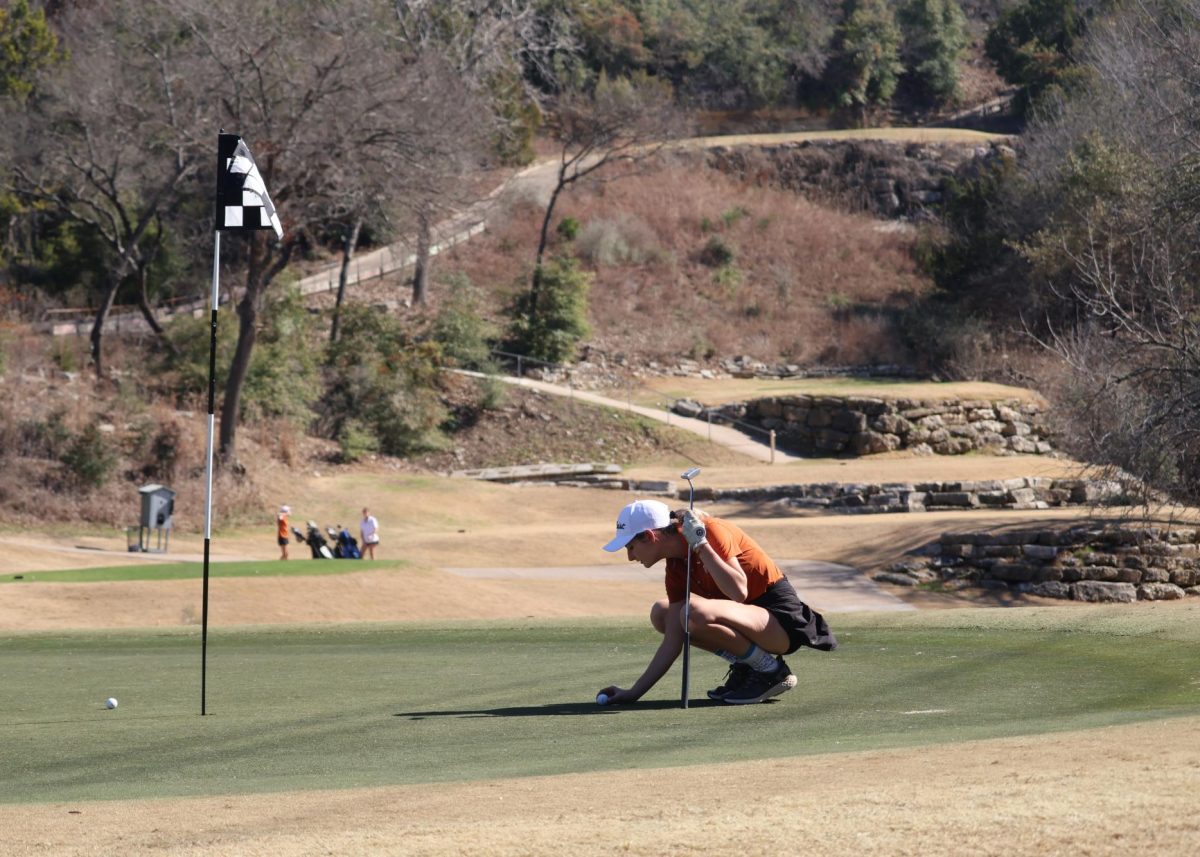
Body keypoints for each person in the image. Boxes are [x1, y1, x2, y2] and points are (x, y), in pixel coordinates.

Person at [598, 499, 837, 705]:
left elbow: (738, 591)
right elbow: (673, 639)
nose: (630, 557)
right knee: (662, 613)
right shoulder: (675, 566)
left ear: (650, 536)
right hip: (749, 621)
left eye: (631, 547)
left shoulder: (710, 531)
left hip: (779, 622)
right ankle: (749, 663)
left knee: (690, 612)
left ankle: (771, 671)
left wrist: (701, 545)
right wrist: (633, 693)